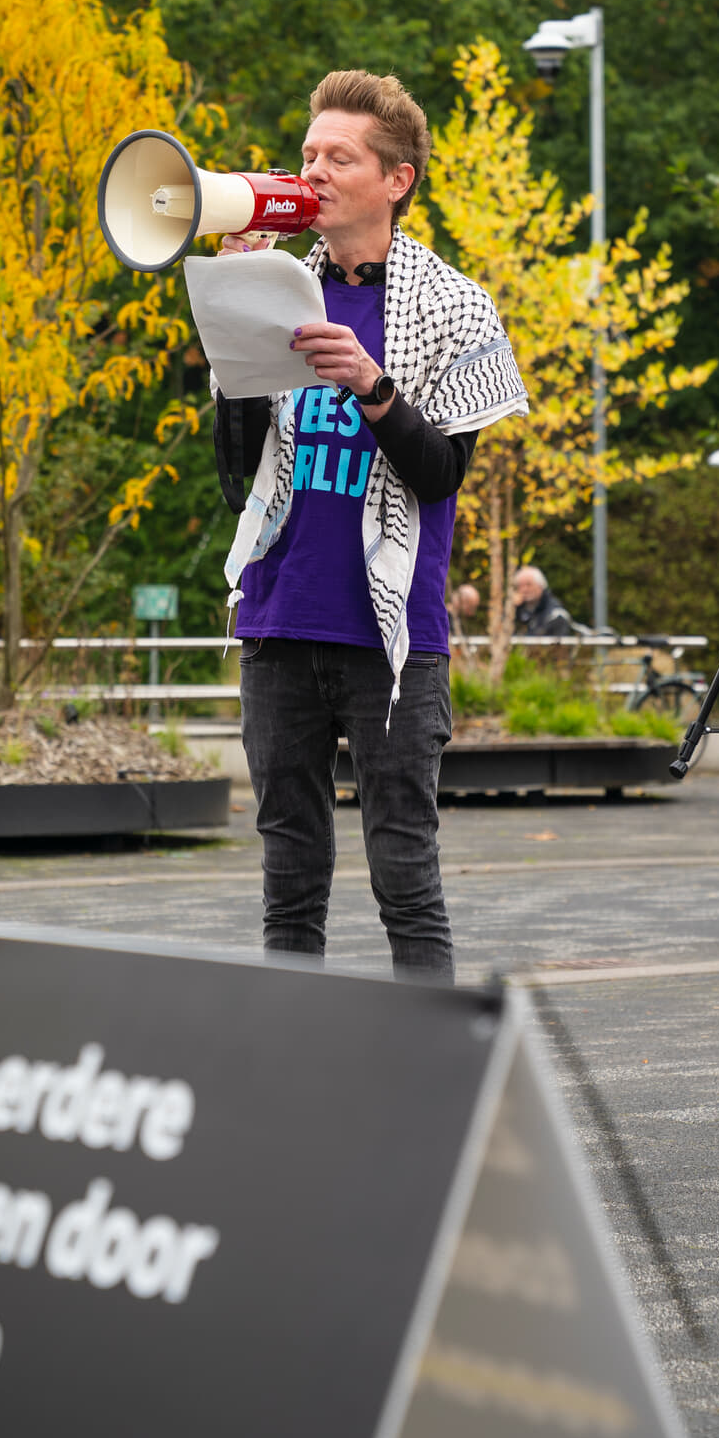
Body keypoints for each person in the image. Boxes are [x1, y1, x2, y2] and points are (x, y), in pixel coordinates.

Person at [216, 70, 528, 981]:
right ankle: (294, 1073)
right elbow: (238, 477)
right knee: (289, 879)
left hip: (390, 638)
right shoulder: (278, 287)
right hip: (278, 620)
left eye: (337, 157)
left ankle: (425, 1082)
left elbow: (440, 475)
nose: (312, 170)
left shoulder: (454, 305)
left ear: (396, 179)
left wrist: (371, 385)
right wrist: (234, 324)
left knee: (405, 875)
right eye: (307, 153)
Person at [512, 565, 575, 638]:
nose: (524, 590)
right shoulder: (517, 609)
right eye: (520, 586)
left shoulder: (555, 614)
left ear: (541, 585)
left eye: (529, 584)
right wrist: (513, 609)